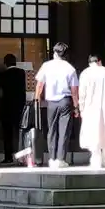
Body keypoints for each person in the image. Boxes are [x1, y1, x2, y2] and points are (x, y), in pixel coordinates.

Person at [34, 41, 79, 169]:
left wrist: (37, 99)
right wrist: (76, 107)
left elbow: (39, 85)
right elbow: (74, 90)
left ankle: (52, 158)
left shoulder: (46, 66)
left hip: (51, 103)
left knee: (52, 130)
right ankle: (60, 159)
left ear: (54, 52)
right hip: (65, 101)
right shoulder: (70, 68)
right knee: (64, 131)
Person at [0, 53, 28, 164]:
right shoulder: (22, 73)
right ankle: (23, 157)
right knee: (20, 132)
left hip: (6, 107)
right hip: (20, 107)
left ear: (5, 63)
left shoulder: (2, 75)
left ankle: (8, 157)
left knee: (7, 133)